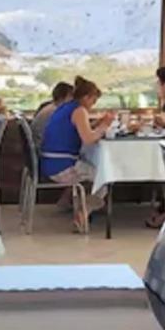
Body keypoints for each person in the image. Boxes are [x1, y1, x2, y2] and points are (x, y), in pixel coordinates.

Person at [40, 76, 115, 233]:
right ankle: (83, 212)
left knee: (94, 172)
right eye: (93, 100)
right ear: (86, 97)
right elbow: (88, 139)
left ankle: (82, 206)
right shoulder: (79, 111)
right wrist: (105, 126)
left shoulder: (64, 108)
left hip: (49, 163)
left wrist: (97, 123)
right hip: (62, 167)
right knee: (104, 177)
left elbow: (77, 128)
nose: (93, 105)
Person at [31, 81, 74, 148]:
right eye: (72, 96)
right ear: (66, 97)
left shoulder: (49, 107)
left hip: (42, 145)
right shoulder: (57, 111)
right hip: (46, 147)